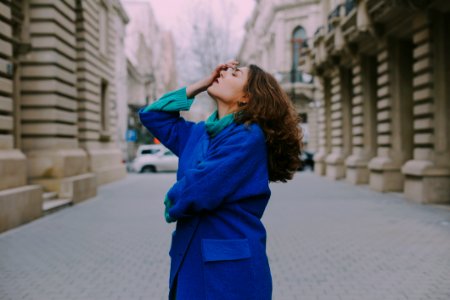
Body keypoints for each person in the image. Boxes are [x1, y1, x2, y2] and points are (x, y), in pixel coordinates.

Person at [138, 60, 302, 300]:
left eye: (234, 73)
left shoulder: (248, 136)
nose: (224, 72)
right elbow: (152, 115)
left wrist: (172, 200)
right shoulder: (198, 134)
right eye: (226, 70)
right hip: (190, 260)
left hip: (229, 271)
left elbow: (200, 188)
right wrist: (200, 85)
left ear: (246, 98)